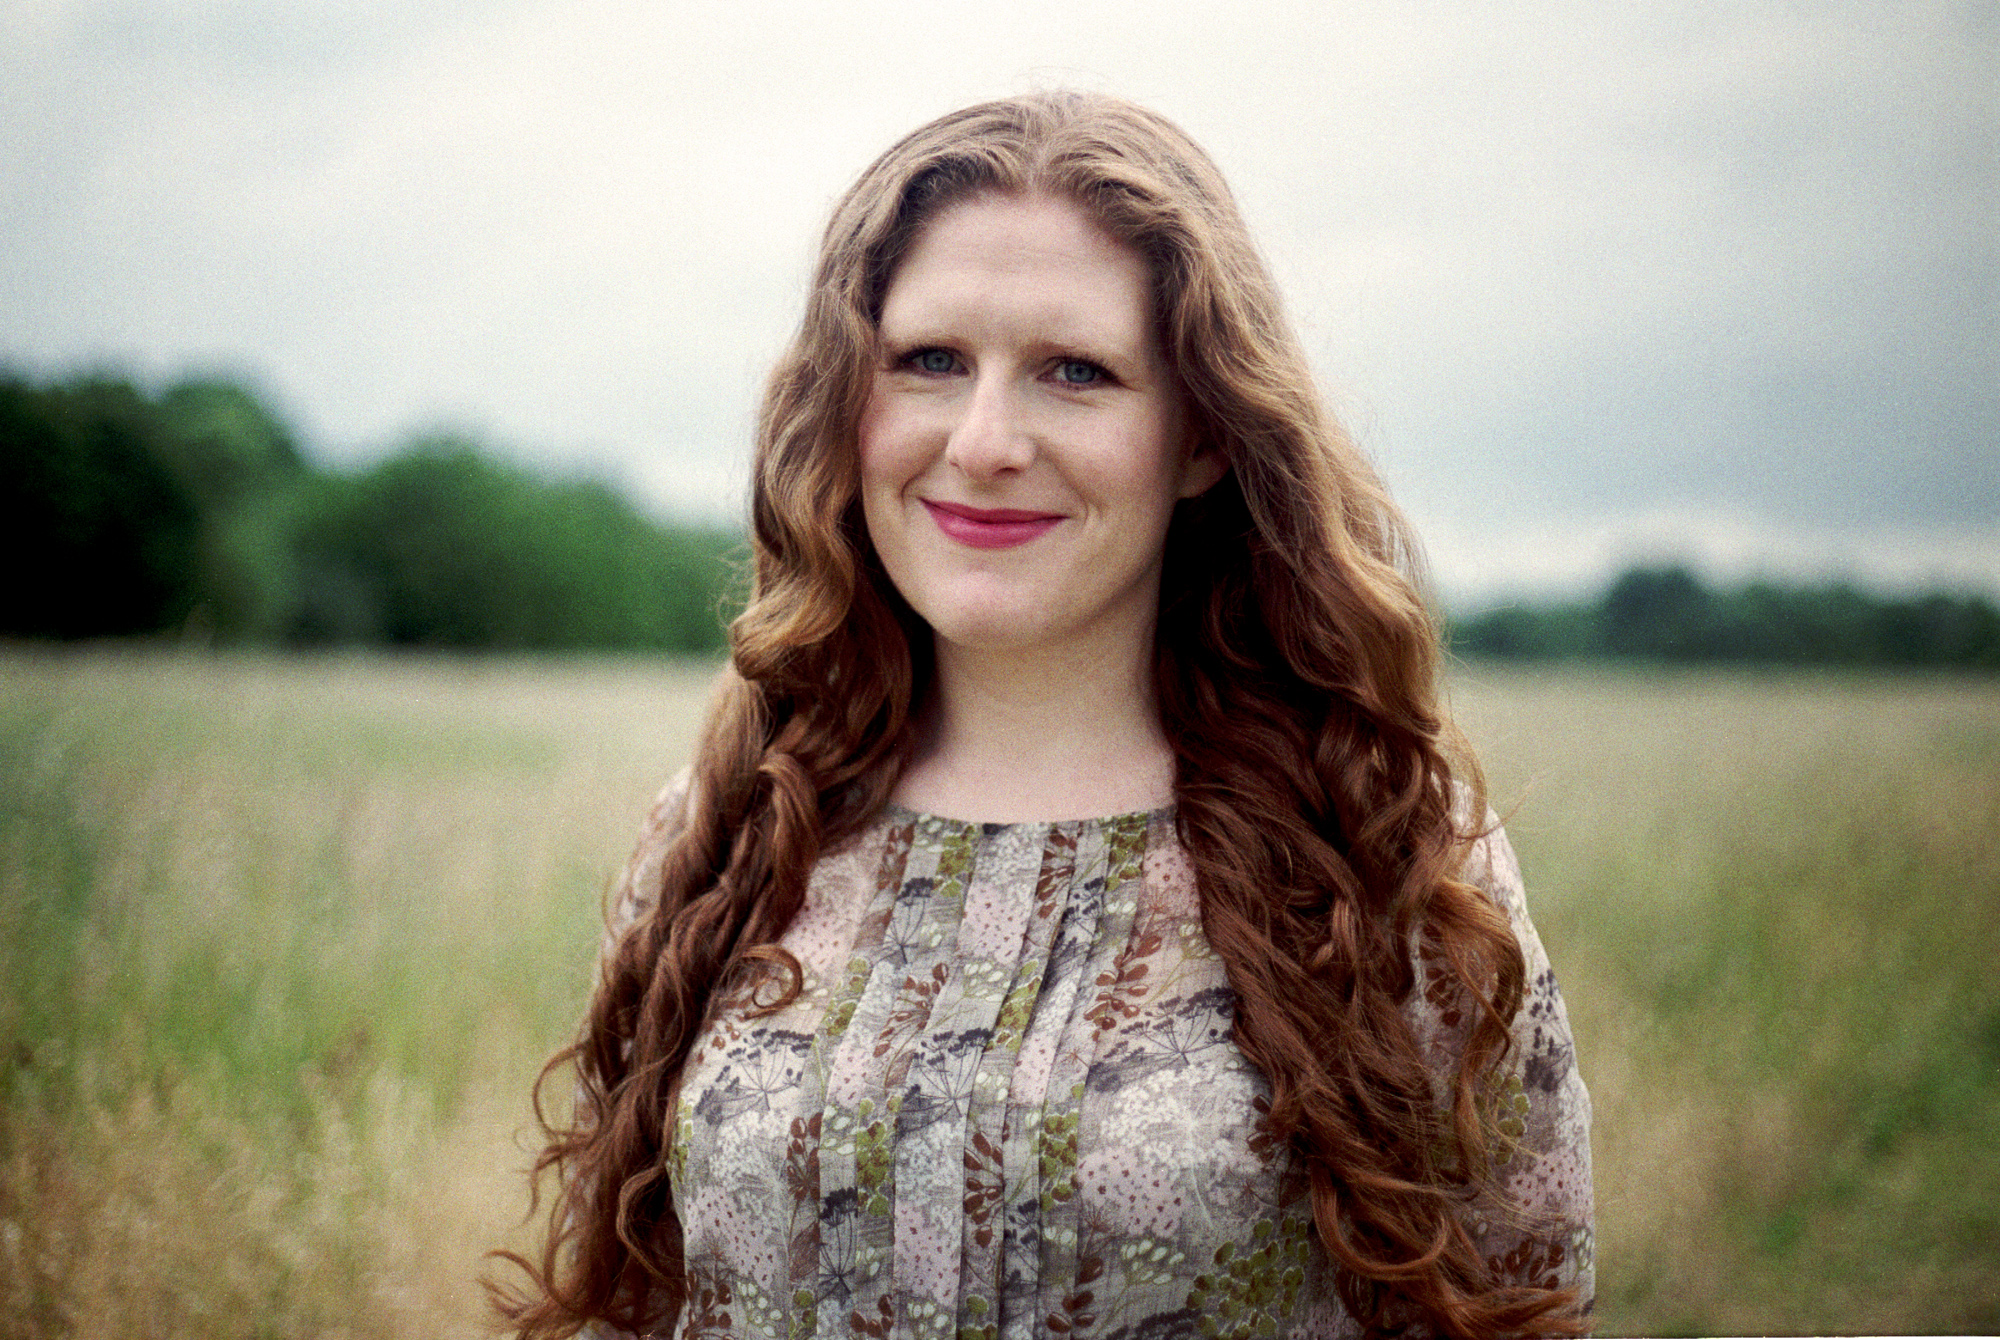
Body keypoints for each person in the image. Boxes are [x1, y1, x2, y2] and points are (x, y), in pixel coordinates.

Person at [495, 91, 1593, 1339]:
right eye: (928, 362)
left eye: (1075, 371)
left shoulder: (1380, 847)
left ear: (1202, 439)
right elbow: (631, 1305)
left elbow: (1517, 1301)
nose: (984, 439)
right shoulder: (733, 826)